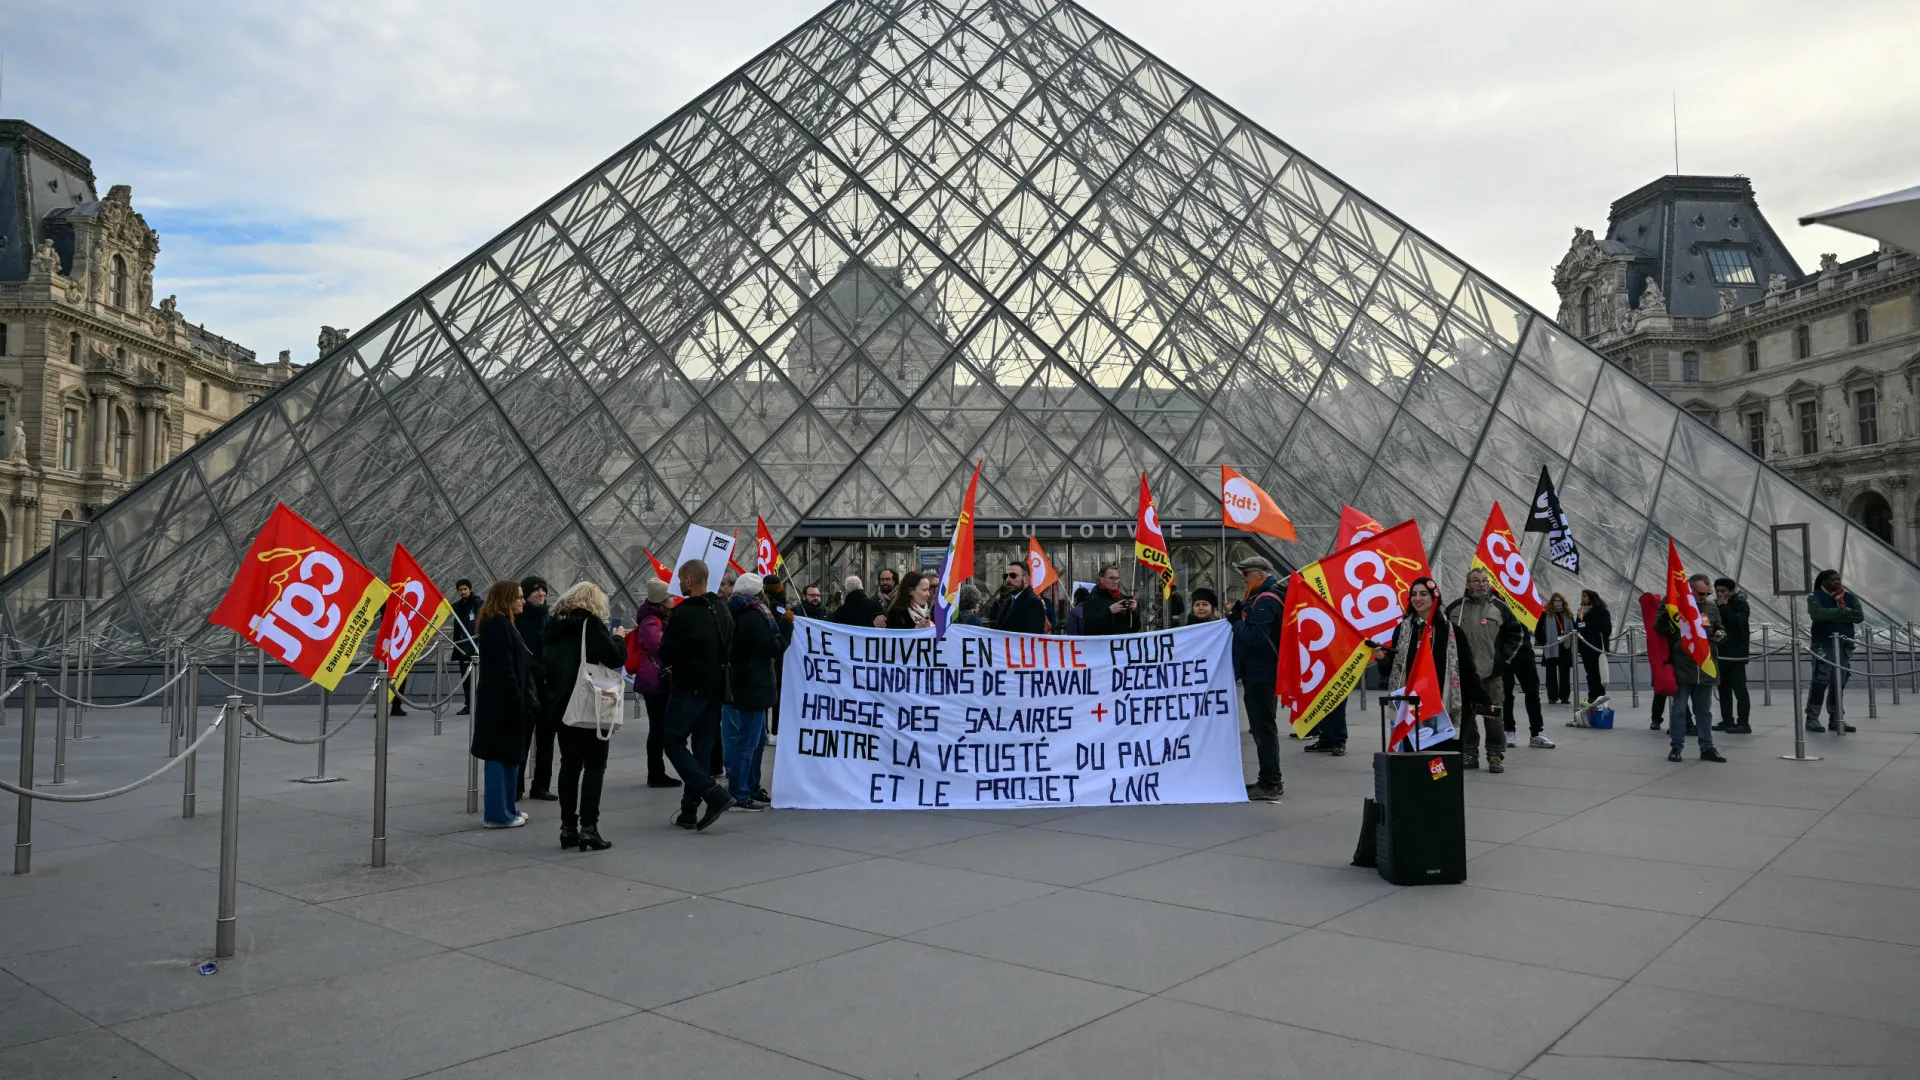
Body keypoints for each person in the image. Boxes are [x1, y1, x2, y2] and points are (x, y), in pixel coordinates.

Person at [541, 582, 627, 851]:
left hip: (560, 705)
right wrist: (618, 638)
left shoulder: (552, 625)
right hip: (589, 705)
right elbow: (614, 658)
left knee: (569, 764)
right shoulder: (590, 625)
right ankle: (589, 828)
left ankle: (567, 828)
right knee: (594, 765)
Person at [657, 559, 736, 831]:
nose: (678, 583)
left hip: (688, 688)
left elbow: (666, 652)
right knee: (702, 748)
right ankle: (689, 808)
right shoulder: (723, 611)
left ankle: (711, 791)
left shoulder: (685, 613)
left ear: (689, 581)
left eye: (680, 578)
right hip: (715, 690)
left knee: (673, 742)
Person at [1377, 577, 1479, 752]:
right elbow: (1391, 669)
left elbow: (1467, 669)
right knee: (1412, 761)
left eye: (1423, 594)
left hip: (1440, 705)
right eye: (1414, 594)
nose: (1418, 598)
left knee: (1439, 762)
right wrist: (1381, 658)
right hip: (1410, 706)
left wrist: (1482, 700)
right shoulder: (1402, 630)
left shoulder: (1452, 631)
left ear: (1434, 598)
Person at [471, 581, 536, 828]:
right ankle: (498, 815)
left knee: (509, 757)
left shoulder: (500, 623)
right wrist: (519, 700)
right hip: (502, 705)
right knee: (500, 757)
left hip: (502, 702)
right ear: (506, 598)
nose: (523, 600)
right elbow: (505, 670)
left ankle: (508, 809)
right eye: (519, 597)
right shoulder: (498, 626)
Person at [1445, 567, 1521, 773]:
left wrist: (1502, 661)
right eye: (1475, 580)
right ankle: (1470, 752)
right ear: (1467, 584)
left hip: (1490, 674)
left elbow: (1517, 634)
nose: (1480, 584)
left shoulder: (1499, 607)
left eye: (1484, 580)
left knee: (1493, 717)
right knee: (1467, 717)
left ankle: (1495, 754)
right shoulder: (1454, 609)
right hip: (1463, 676)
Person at [722, 573, 780, 811]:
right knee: (750, 742)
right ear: (759, 593)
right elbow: (772, 647)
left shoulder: (732, 612)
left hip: (742, 685)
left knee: (754, 740)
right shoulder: (755, 616)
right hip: (753, 686)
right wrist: (784, 631)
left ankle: (749, 787)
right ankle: (742, 791)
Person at [1230, 556, 1286, 800]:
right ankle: (1268, 779)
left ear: (1261, 574)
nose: (1243, 578)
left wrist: (1236, 622)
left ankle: (1271, 782)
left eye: (1247, 573)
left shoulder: (1265, 601)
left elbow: (1255, 637)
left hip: (1262, 674)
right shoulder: (1257, 598)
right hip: (1258, 672)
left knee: (1263, 729)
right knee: (1261, 728)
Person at [1657, 573, 1727, 762]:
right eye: (1701, 594)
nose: (1704, 597)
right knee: (1679, 710)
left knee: (1704, 711)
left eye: (1707, 593)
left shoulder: (1711, 607)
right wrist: (1668, 611)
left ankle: (1707, 747)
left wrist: (1721, 634)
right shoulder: (1672, 603)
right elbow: (1659, 628)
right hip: (1681, 665)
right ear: (1690, 590)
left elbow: (1720, 627)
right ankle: (1676, 747)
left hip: (1705, 665)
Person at [626, 579, 679, 788]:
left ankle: (657, 772)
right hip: (655, 680)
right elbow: (659, 646)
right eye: (671, 597)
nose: (674, 599)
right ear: (662, 600)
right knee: (658, 728)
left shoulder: (658, 618)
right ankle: (656, 773)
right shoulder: (651, 621)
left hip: (657, 678)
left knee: (659, 727)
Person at [1805, 568, 1864, 733]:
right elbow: (1818, 615)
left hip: (1844, 646)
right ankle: (1812, 718)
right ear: (1823, 582)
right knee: (1820, 679)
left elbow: (1858, 616)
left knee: (1840, 682)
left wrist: (1832, 615)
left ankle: (1836, 718)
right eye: (1833, 580)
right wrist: (1841, 611)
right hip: (1823, 645)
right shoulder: (1815, 597)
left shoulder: (1849, 597)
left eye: (1838, 579)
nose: (1837, 583)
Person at [515, 576, 557, 800]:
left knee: (547, 738)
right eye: (536, 591)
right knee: (524, 737)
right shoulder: (518, 620)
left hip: (548, 686)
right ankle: (517, 786)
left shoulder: (549, 618)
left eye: (544, 590)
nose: (541, 594)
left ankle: (541, 785)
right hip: (529, 685)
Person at [1501, 610, 1553, 749]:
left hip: (1523, 651)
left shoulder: (1520, 601)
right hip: (1503, 651)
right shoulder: (1497, 602)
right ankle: (1509, 730)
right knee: (1506, 693)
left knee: (1532, 693)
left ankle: (1536, 732)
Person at [1713, 577, 1753, 735]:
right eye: (1717, 591)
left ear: (1731, 591)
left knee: (1739, 689)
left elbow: (1736, 623)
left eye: (1723, 591)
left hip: (1736, 654)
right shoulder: (1714, 605)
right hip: (1721, 652)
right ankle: (1727, 719)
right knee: (1723, 689)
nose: (1719, 594)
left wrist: (1723, 607)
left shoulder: (1741, 605)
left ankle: (1743, 723)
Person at [1536, 593, 1575, 705]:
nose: (1558, 603)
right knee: (1551, 673)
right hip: (1551, 647)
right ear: (1552, 602)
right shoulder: (1546, 614)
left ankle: (1564, 697)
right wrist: (1543, 641)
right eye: (1556, 601)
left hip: (1564, 647)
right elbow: (1539, 629)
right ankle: (1552, 697)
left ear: (1563, 602)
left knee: (1565, 673)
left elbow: (1574, 628)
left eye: (1560, 601)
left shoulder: (1568, 615)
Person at [449, 579, 482, 715]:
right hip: (463, 646)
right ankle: (469, 703)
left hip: (475, 646)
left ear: (470, 589)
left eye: (465, 589)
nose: (463, 592)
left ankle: (476, 703)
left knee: (477, 677)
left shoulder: (478, 604)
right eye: (460, 590)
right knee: (465, 676)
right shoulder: (456, 606)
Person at [1082, 565, 1142, 636]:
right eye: (1111, 578)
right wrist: (1109, 611)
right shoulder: (1092, 598)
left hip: (1121, 644)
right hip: (1102, 645)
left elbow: (1135, 628)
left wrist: (1133, 611)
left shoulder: (1121, 597)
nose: (1115, 581)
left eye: (1117, 578)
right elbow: (1088, 627)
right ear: (1102, 580)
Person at [1575, 590, 1612, 702]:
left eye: (1584, 596)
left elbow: (1606, 629)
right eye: (1582, 596)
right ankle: (1592, 695)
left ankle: (1599, 696)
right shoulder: (1581, 612)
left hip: (1596, 647)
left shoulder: (1601, 611)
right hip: (1585, 647)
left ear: (1591, 598)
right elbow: (1579, 626)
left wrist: (1594, 639)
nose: (1582, 598)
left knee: (1597, 672)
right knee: (1590, 672)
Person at [992, 561, 1048, 633]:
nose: (1008, 580)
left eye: (1013, 575)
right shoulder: (1007, 602)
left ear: (1026, 579)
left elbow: (1031, 638)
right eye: (1005, 576)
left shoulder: (1033, 602)